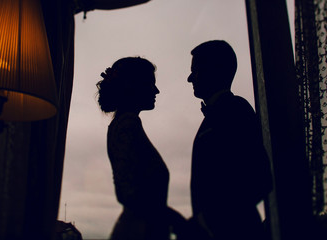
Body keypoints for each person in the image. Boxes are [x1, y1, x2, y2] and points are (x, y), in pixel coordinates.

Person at [187, 40, 273, 240]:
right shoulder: (224, 112)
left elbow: (260, 179)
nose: (190, 78)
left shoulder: (236, 110)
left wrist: (211, 220)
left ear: (212, 71)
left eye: (195, 70)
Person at [96, 57, 186, 240]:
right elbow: (127, 193)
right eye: (151, 84)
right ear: (134, 86)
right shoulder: (127, 125)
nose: (156, 90)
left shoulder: (124, 124)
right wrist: (176, 220)